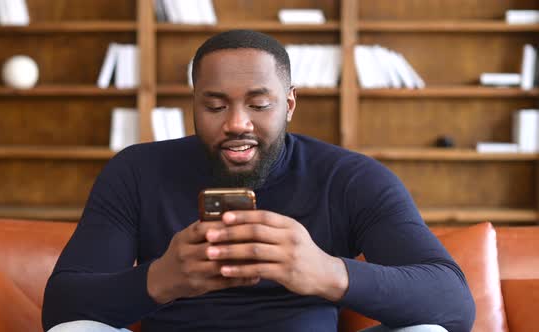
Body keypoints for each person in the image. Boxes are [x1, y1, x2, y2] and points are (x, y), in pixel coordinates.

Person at [42, 30, 475, 332]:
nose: (236, 123)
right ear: (193, 106)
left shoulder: (351, 178)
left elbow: (454, 303)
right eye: (214, 106)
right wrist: (160, 279)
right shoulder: (135, 171)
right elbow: (62, 308)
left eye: (258, 104)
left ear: (288, 104)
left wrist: (326, 273)